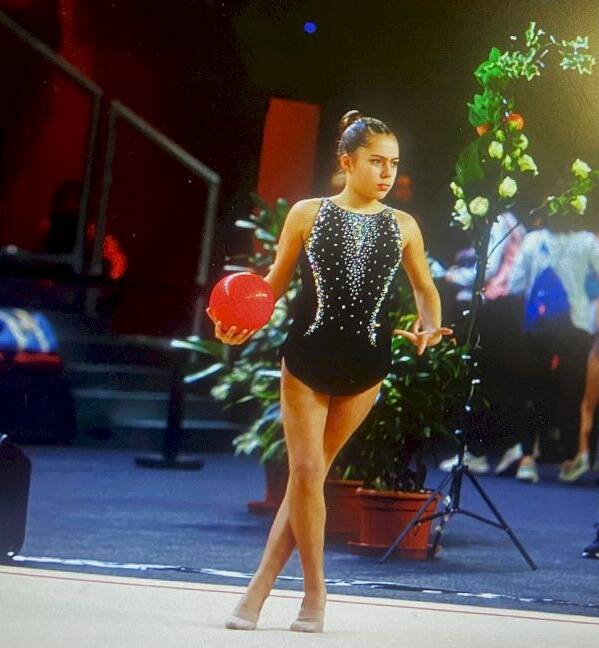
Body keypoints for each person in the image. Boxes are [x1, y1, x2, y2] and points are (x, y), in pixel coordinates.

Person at [206, 110, 452, 633]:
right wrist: (239, 322)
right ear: (347, 161)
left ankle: (257, 590)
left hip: (367, 364)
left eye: (393, 164)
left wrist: (430, 327)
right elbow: (272, 285)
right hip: (307, 357)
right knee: (305, 472)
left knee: (311, 478)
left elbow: (425, 289)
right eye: (376, 161)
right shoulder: (306, 214)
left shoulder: (403, 226)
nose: (387, 173)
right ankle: (315, 594)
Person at [507, 212, 599, 483]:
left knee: (532, 390)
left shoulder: (533, 240)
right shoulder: (586, 241)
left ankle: (527, 459)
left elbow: (515, 284)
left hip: (538, 325)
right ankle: (569, 460)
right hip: (576, 326)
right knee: (571, 394)